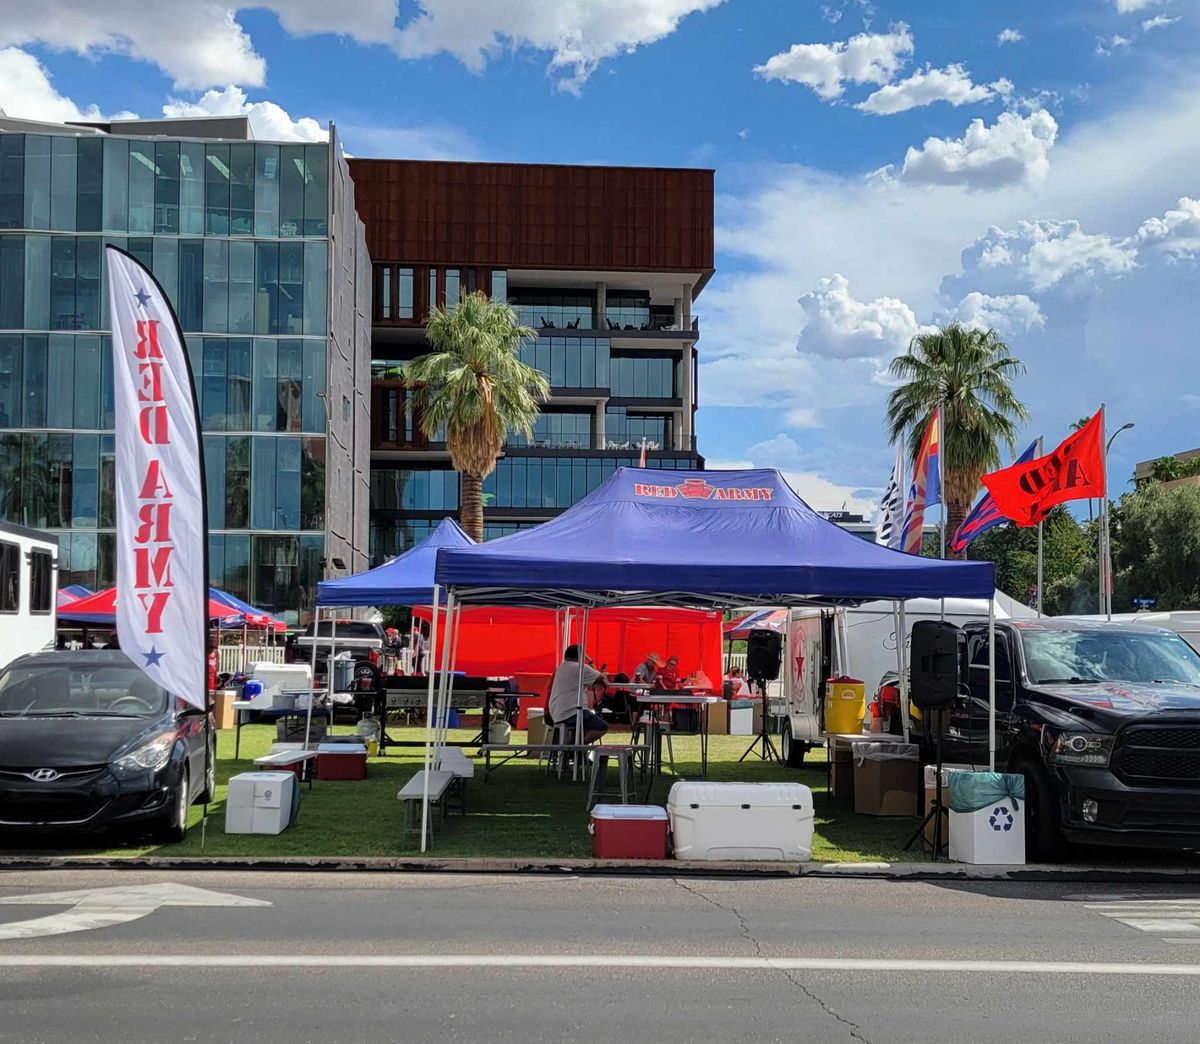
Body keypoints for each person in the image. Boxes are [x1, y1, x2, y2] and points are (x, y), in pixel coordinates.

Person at [548, 644, 609, 744]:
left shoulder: (560, 668)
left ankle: (574, 750)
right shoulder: (580, 668)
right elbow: (601, 677)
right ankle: (577, 748)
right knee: (602, 727)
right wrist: (591, 662)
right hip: (573, 712)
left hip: (556, 712)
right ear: (581, 656)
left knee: (584, 727)